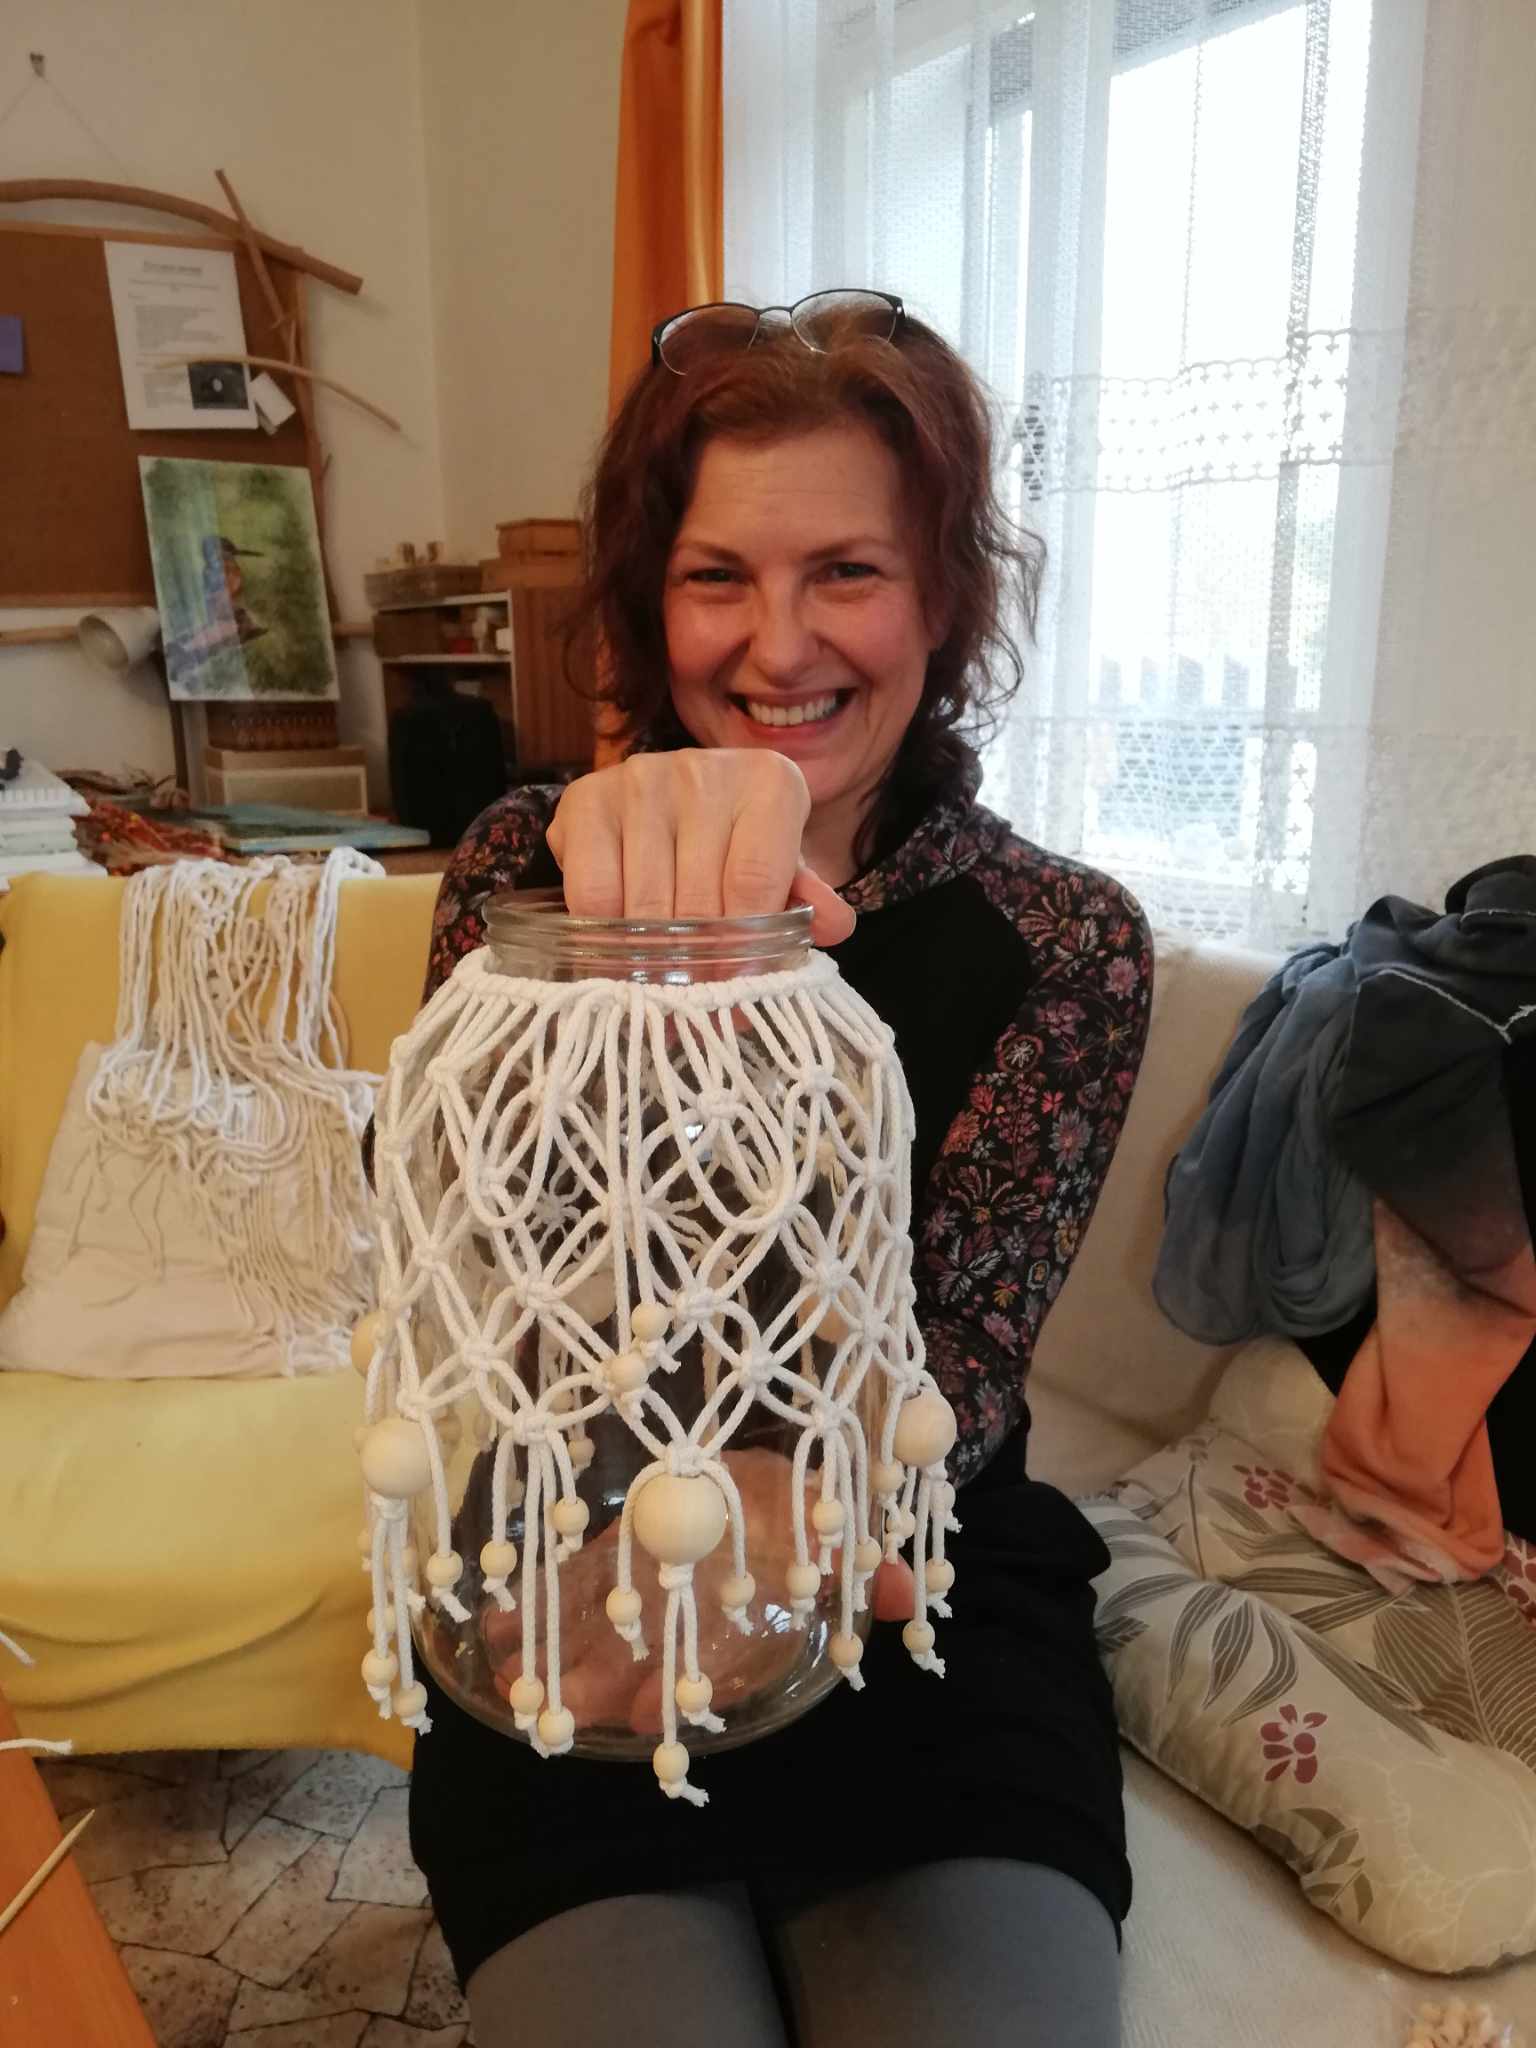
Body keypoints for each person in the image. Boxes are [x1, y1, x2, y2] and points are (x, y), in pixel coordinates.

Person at [407, 291, 1154, 2048]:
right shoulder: (525, 877)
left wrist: (786, 1509)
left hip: (915, 1580)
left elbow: (964, 1355)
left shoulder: (1066, 941)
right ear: (647, 600)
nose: (779, 641)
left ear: (943, 597)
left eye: (848, 572)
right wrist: (607, 929)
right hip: (577, 1552)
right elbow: (467, 1262)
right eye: (716, 576)